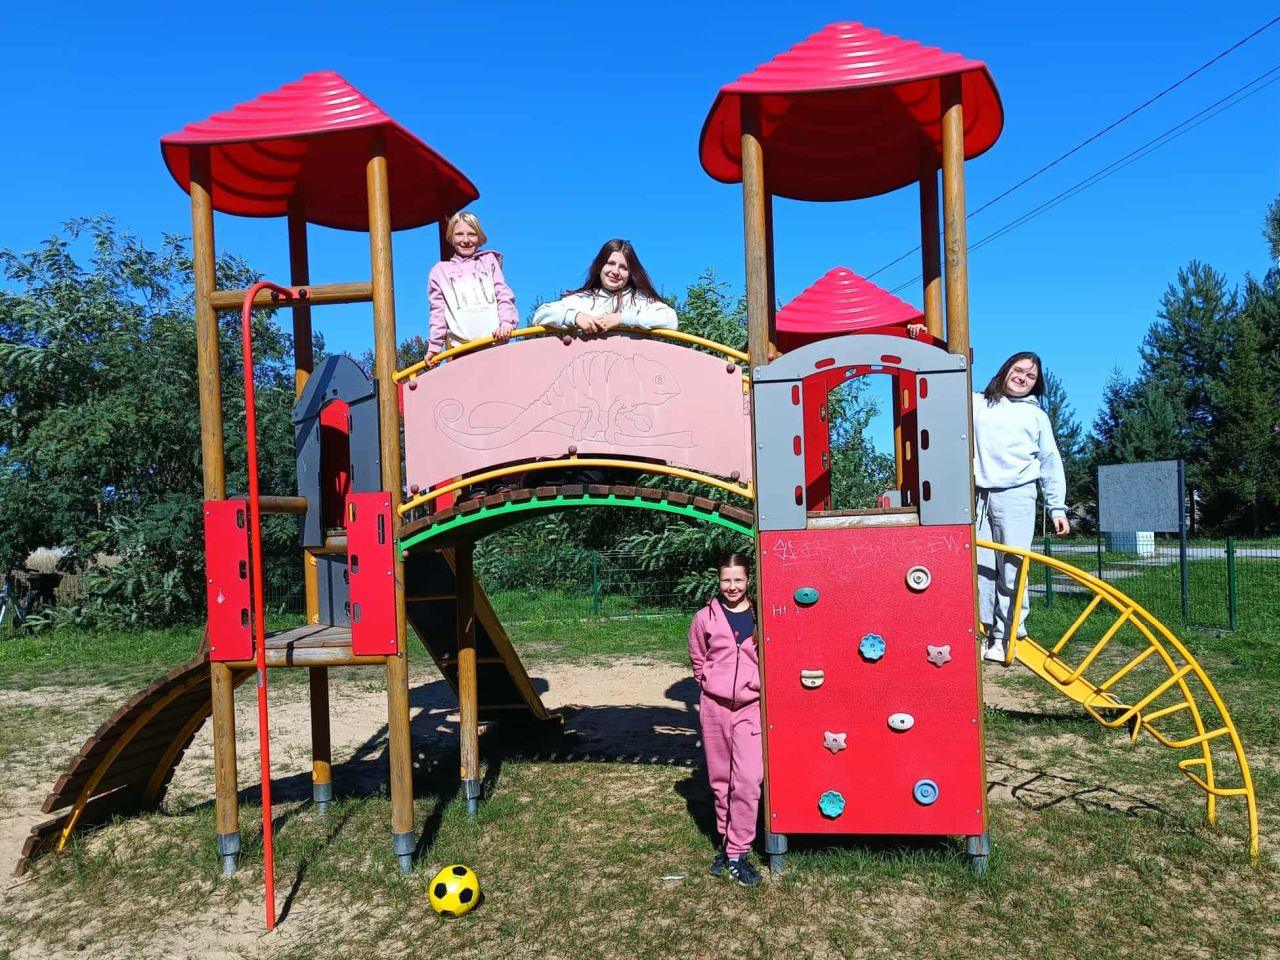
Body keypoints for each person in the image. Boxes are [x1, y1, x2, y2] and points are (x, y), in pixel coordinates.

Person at [973, 351, 1070, 663]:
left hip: (1016, 495)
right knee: (982, 568)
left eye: (1031, 376)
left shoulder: (1036, 416)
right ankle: (986, 631)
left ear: (1035, 384)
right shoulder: (978, 403)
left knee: (1012, 567)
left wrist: (1057, 508)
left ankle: (1009, 632)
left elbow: (1050, 461)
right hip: (978, 496)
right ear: (1005, 370)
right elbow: (944, 387)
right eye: (1019, 370)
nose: (1023, 378)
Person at [688, 552, 764, 886]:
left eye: (738, 580)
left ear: (748, 581)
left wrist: (755, 684)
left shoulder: (761, 615)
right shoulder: (704, 618)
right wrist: (710, 683)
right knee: (721, 782)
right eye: (726, 580)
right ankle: (727, 843)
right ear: (718, 581)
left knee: (748, 779)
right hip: (715, 708)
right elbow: (697, 659)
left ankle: (738, 851)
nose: (732, 586)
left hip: (750, 707)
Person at [426, 212, 518, 360]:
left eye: (472, 234)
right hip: (463, 350)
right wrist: (434, 347)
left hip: (494, 342)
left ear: (479, 237)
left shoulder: (488, 261)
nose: (466, 240)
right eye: (459, 234)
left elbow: (503, 294)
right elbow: (437, 312)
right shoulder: (440, 271)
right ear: (451, 237)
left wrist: (506, 323)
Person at [532, 238, 677, 332]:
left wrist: (621, 319)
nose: (615, 272)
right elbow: (540, 314)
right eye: (610, 263)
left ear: (630, 273)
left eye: (623, 268)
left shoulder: (641, 301)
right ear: (599, 266)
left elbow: (670, 319)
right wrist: (575, 317)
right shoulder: (581, 300)